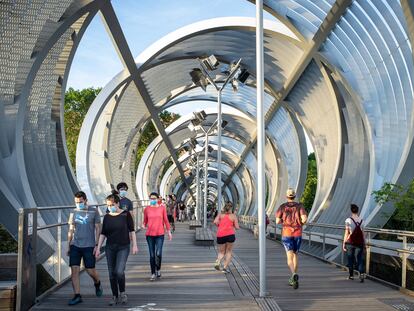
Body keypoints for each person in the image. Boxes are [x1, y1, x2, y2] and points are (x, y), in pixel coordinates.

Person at [96, 191, 138, 305]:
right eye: (108, 205)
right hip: (110, 247)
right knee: (111, 273)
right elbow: (103, 233)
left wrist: (134, 245)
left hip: (123, 247)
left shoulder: (125, 214)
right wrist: (98, 247)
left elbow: (132, 230)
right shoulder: (107, 217)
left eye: (112, 205)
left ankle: (123, 293)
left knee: (119, 271)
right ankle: (114, 295)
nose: (110, 207)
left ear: (117, 204)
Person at [67, 191, 103, 306]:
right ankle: (77, 295)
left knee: (90, 270)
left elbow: (98, 228)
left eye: (80, 202)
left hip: (89, 245)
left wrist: (97, 245)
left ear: (86, 200)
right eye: (76, 202)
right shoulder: (73, 212)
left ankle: (97, 282)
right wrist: (68, 245)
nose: (78, 204)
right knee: (74, 270)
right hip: (75, 245)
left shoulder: (93, 211)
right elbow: (71, 229)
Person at [275, 188, 307, 289]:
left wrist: (283, 221)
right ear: (294, 196)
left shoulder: (282, 207)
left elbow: (277, 221)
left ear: (286, 196)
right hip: (297, 233)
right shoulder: (300, 206)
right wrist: (300, 223)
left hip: (287, 233)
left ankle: (293, 275)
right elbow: (304, 219)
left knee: (289, 257)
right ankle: (294, 276)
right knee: (295, 255)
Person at [143, 192, 172, 281]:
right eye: (151, 199)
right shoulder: (146, 209)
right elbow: (145, 221)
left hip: (160, 234)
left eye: (154, 198)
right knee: (152, 255)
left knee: (158, 253)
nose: (152, 200)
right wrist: (143, 225)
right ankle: (153, 273)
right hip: (149, 235)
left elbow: (166, 220)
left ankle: (158, 269)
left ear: (157, 199)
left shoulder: (162, 208)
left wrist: (169, 232)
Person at [214, 202, 240, 273]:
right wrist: (234, 225)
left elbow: (215, 221)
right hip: (230, 235)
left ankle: (218, 261)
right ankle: (224, 268)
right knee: (229, 251)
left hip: (221, 235)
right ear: (231, 208)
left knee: (222, 251)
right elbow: (237, 227)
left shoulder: (220, 215)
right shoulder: (233, 216)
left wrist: (220, 225)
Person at [342, 203, 366, 282]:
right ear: (358, 211)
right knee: (360, 258)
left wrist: (344, 243)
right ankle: (361, 274)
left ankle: (351, 275)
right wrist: (364, 243)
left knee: (350, 259)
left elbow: (346, 232)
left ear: (351, 211)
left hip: (350, 242)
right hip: (359, 242)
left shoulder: (348, 220)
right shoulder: (362, 221)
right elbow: (363, 234)